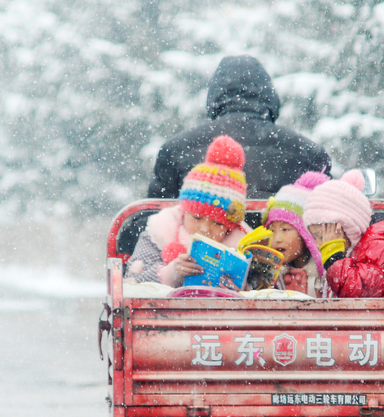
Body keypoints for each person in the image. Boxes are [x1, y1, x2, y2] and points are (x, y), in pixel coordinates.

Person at [148, 55, 332, 199]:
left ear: (214, 96)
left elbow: (152, 219)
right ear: (270, 96)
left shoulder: (176, 150)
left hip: (200, 245)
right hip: (278, 247)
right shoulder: (309, 154)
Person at [125, 135, 252, 288]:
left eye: (217, 223)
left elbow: (266, 288)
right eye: (197, 218)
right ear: (184, 211)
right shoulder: (160, 231)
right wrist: (171, 273)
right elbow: (132, 283)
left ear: (230, 227)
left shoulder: (245, 245)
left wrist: (245, 290)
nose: (205, 229)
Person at [303, 170, 384, 298]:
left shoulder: (381, 246)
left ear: (345, 228)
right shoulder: (352, 250)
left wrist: (333, 256)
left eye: (321, 236)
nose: (319, 244)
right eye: (315, 238)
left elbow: (355, 292)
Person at [262, 171, 329, 297]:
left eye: (285, 229)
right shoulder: (269, 277)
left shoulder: (326, 276)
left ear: (307, 234)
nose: (276, 239)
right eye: (271, 230)